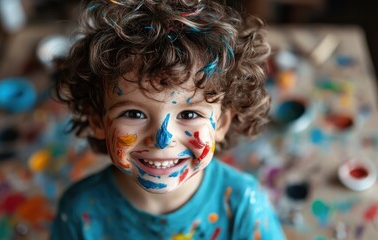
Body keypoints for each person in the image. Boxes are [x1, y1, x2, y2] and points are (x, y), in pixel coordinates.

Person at [50, 0, 285, 239]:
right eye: (134, 114)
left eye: (189, 114)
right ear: (98, 122)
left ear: (222, 124)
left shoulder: (243, 205)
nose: (162, 140)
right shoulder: (79, 211)